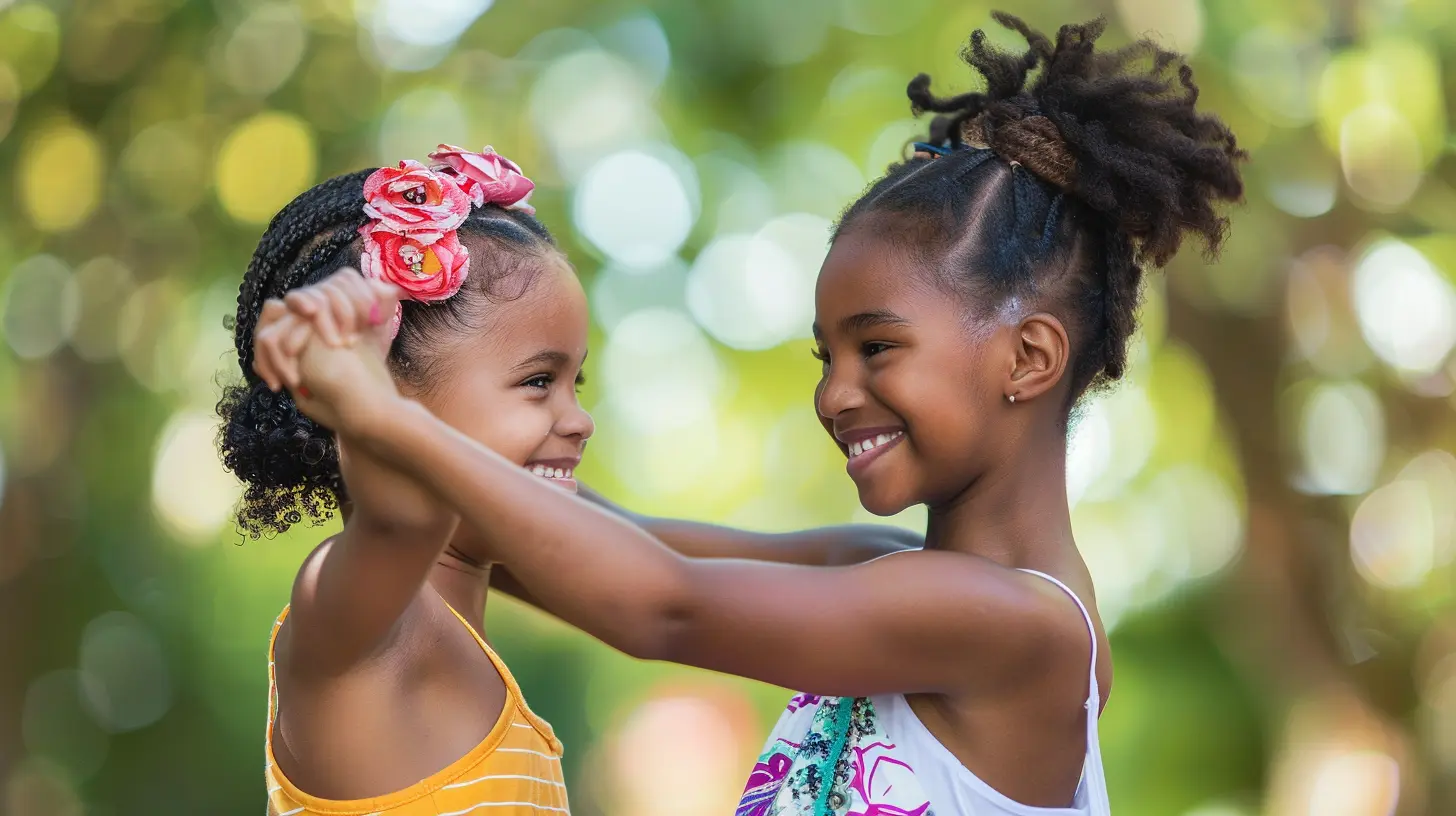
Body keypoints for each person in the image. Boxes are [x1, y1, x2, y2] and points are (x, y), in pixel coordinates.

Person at [254, 13, 1245, 815]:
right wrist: (388, 410)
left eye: (877, 346)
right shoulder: (877, 572)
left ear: (1027, 358)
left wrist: (385, 416)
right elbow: (595, 544)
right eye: (828, 357)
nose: (833, 393)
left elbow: (661, 601)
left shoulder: (1019, 628)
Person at [219, 145, 589, 816]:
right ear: (384, 395)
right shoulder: (356, 624)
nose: (581, 419)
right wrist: (359, 387)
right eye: (540, 382)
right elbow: (403, 516)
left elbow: (675, 563)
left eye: (575, 381)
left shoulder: (455, 620)